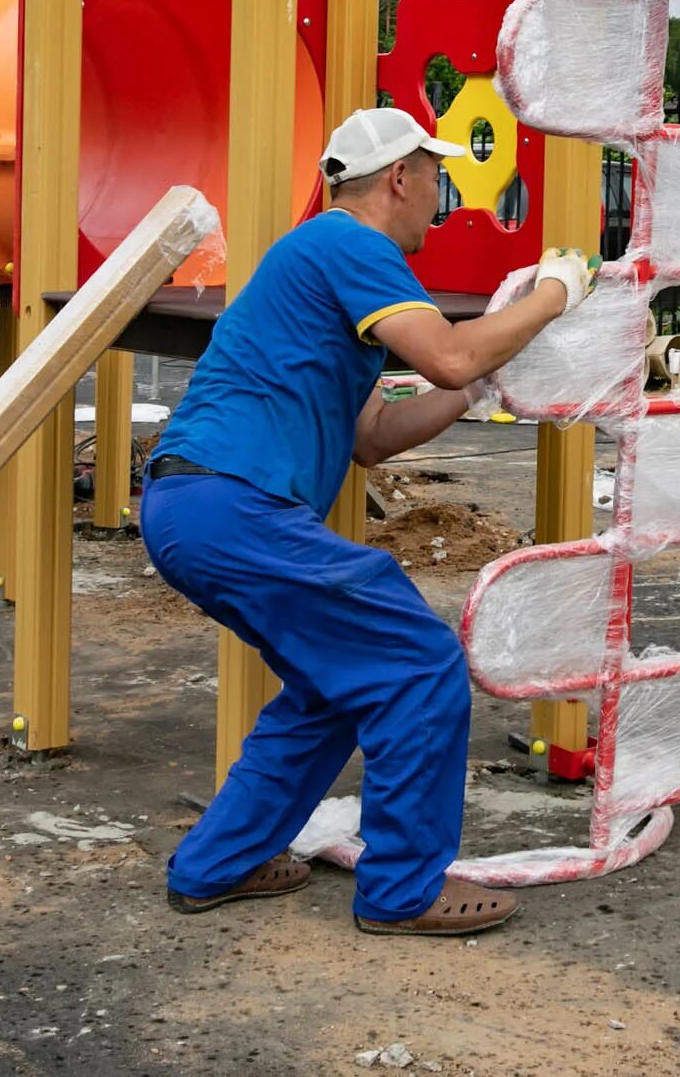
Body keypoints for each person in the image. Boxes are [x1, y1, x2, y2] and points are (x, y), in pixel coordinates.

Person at [138, 106, 594, 937]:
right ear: (398, 177)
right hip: (233, 502)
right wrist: (557, 290)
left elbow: (373, 440)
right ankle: (403, 888)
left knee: (330, 684)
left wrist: (477, 386)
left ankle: (219, 862)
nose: (440, 197)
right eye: (435, 178)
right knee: (416, 660)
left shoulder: (326, 269)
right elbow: (451, 350)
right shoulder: (349, 244)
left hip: (200, 506)